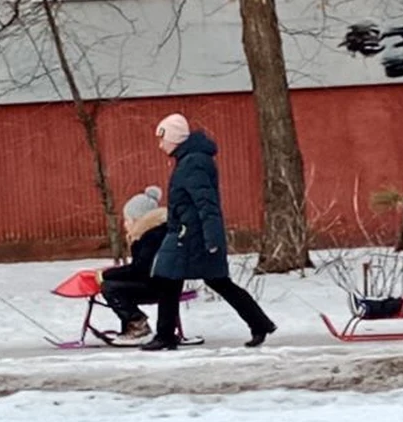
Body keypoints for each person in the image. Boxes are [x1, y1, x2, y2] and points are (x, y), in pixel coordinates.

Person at [142, 113, 277, 351]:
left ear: (174, 138)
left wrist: (212, 238)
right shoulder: (189, 161)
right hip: (187, 233)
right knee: (194, 280)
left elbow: (206, 203)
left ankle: (165, 335)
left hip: (191, 236)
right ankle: (259, 323)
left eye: (162, 138)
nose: (160, 145)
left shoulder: (192, 163)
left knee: (177, 279)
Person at [99, 186, 168, 346]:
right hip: (161, 283)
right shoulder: (154, 233)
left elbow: (139, 270)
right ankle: (131, 328)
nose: (125, 224)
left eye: (128, 219)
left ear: (139, 219)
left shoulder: (151, 237)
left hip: (158, 286)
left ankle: (138, 326)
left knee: (110, 287)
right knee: (114, 284)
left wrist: (106, 274)